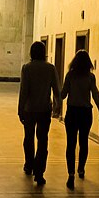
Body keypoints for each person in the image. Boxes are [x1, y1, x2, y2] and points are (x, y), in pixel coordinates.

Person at [59, 49, 99, 190]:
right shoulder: (90, 77)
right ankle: (81, 169)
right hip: (85, 113)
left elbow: (63, 95)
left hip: (72, 112)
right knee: (83, 142)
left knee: (70, 144)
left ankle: (70, 174)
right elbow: (95, 95)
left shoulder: (70, 75)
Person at [18, 41, 60, 186]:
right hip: (44, 109)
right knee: (43, 140)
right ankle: (39, 172)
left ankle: (29, 164)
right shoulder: (50, 68)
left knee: (28, 138)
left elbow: (24, 90)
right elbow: (56, 89)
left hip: (30, 109)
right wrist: (57, 106)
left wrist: (20, 109)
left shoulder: (27, 68)